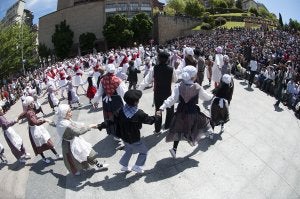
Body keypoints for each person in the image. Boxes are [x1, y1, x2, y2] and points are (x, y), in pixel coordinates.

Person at [98, 90, 161, 173]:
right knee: (144, 152)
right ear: (136, 102)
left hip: (124, 137)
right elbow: (150, 120)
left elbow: (110, 120)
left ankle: (124, 166)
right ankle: (137, 166)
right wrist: (157, 116)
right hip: (134, 138)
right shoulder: (139, 113)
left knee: (129, 150)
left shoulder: (120, 110)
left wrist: (101, 125)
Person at [157, 66, 213, 158]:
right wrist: (212, 95)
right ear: (193, 77)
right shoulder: (197, 87)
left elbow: (172, 99)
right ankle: (204, 134)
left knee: (178, 130)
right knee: (201, 124)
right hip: (193, 112)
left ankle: (174, 149)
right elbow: (206, 97)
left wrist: (162, 107)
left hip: (181, 112)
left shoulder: (179, 86)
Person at [56, 104, 108, 176]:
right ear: (64, 114)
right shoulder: (65, 124)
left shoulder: (63, 120)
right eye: (69, 112)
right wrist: (90, 126)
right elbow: (78, 131)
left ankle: (97, 165)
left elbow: (76, 125)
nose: (71, 113)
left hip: (74, 141)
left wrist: (85, 125)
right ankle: (86, 167)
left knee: (85, 154)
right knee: (76, 158)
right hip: (69, 144)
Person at [139, 51, 178, 133]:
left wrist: (139, 90)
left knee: (158, 110)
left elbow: (146, 81)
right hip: (168, 92)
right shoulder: (171, 69)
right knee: (170, 110)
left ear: (158, 59)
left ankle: (157, 129)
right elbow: (175, 80)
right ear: (168, 60)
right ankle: (167, 125)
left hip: (158, 93)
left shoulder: (154, 68)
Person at [21, 96, 62, 164]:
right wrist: (44, 120)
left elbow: (24, 115)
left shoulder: (29, 110)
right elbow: (36, 122)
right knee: (40, 144)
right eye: (32, 102)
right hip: (35, 130)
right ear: (29, 104)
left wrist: (18, 118)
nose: (33, 103)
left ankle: (56, 155)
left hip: (36, 129)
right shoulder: (29, 112)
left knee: (46, 141)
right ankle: (46, 158)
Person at [92, 64, 127, 140]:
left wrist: (94, 101)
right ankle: (120, 132)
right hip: (116, 101)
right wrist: (128, 101)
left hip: (106, 102)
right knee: (118, 116)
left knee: (110, 117)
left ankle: (114, 133)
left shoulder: (102, 80)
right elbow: (124, 93)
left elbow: (99, 92)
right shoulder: (118, 80)